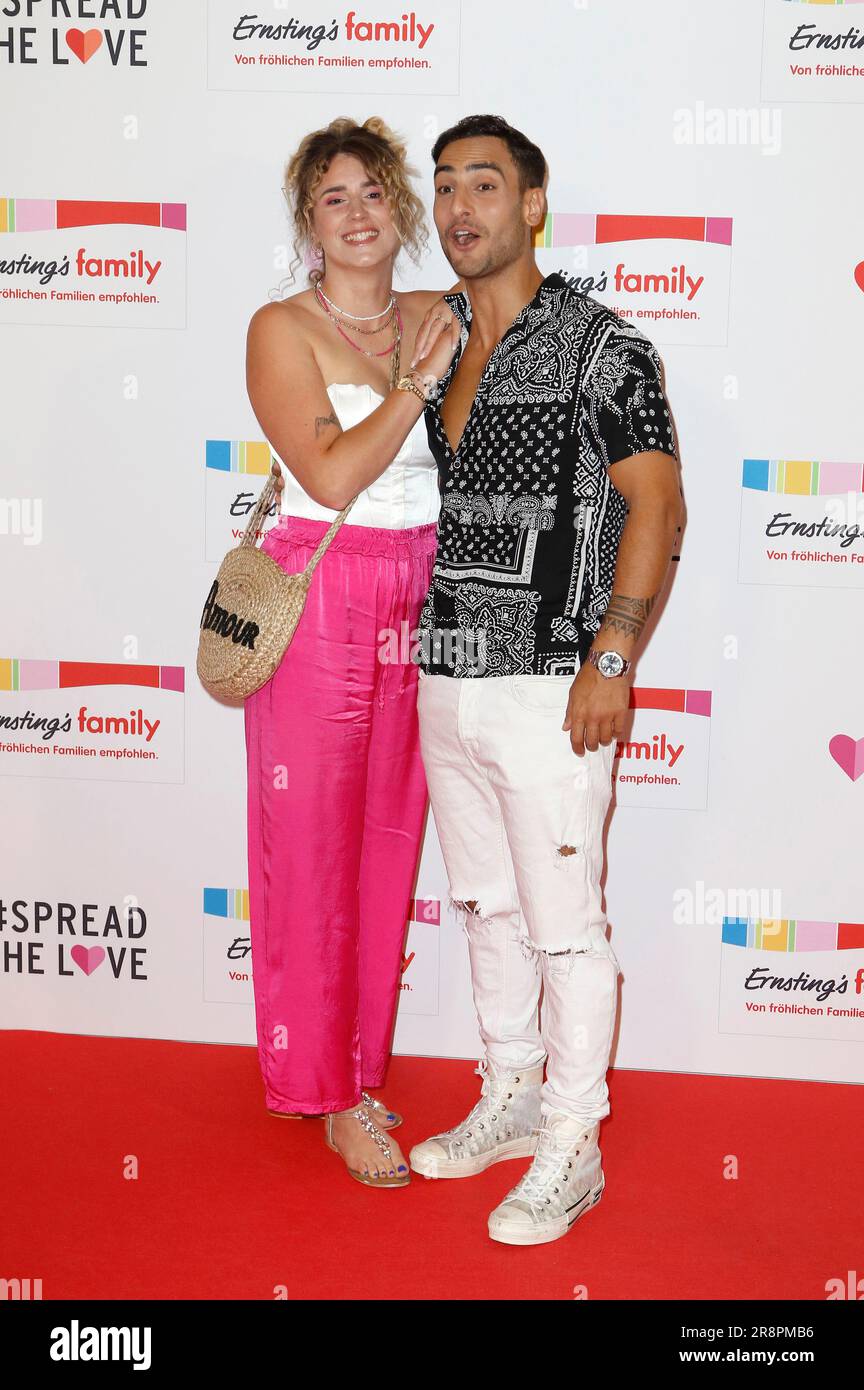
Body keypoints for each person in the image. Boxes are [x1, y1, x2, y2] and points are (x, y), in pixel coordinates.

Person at [407, 114, 684, 1243]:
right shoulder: (437, 343)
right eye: (444, 187)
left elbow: (657, 507)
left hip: (555, 681)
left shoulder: (606, 345)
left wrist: (612, 656)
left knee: (566, 926)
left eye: (485, 183)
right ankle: (511, 1092)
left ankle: (574, 1136)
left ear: (533, 204)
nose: (460, 207)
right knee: (487, 907)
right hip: (449, 671)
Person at [243, 116, 460, 1188]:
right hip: (324, 589)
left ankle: (357, 1067)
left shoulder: (437, 313)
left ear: (402, 208)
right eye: (335, 197)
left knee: (387, 839)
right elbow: (329, 478)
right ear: (308, 222)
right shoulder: (281, 328)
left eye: (375, 191)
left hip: (421, 590)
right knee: (314, 848)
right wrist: (416, 385)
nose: (360, 212)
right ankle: (319, 1089)